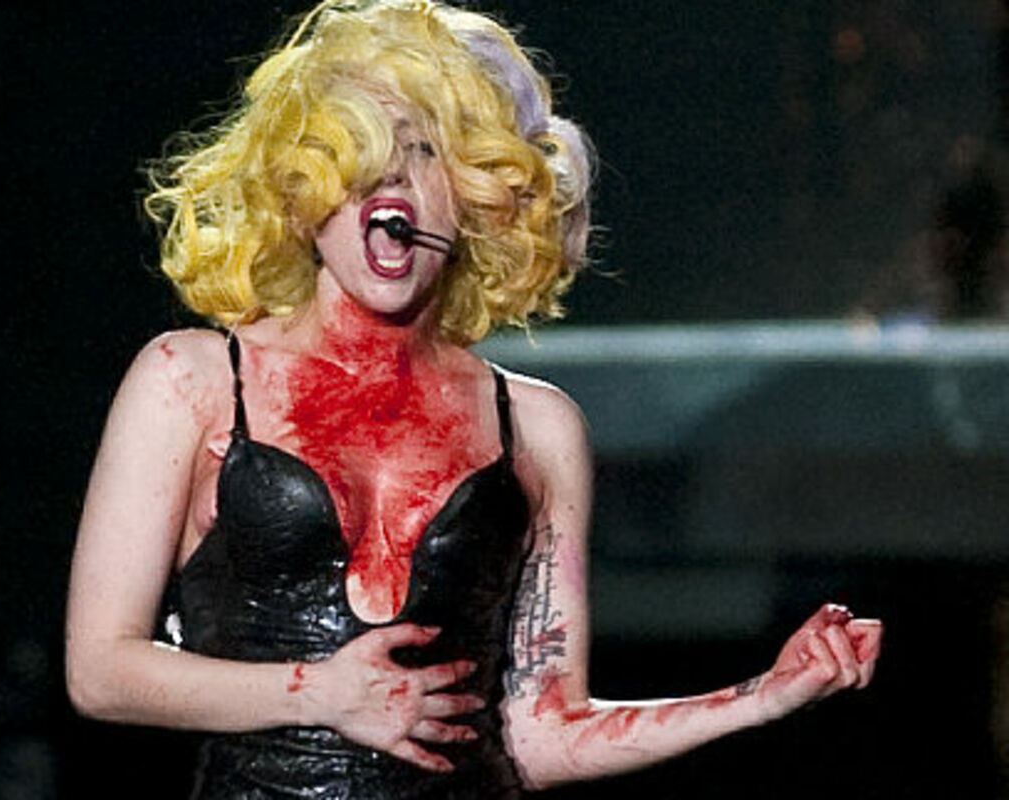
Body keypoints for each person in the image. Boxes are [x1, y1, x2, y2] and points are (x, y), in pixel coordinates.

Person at [65, 1, 884, 796]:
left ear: (478, 198)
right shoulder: (193, 381)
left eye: (426, 151)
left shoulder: (536, 429)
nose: (394, 177)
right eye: (359, 151)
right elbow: (100, 671)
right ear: (302, 190)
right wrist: (319, 693)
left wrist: (764, 695)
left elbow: (542, 733)